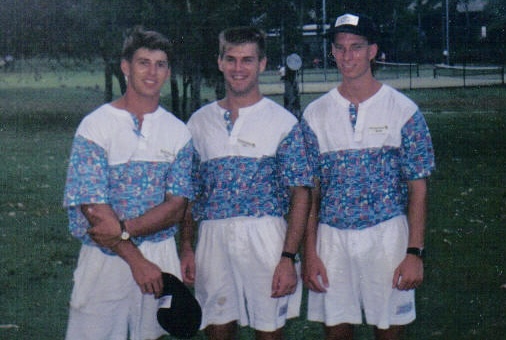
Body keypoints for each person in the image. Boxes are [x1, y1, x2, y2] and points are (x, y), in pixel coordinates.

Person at [301, 13, 435, 340]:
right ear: (332, 52)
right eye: (340, 48)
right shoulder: (314, 113)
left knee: (389, 331)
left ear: (372, 51)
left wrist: (414, 253)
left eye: (356, 47)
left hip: (387, 236)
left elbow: (417, 188)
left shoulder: (402, 110)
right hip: (332, 238)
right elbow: (310, 191)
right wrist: (310, 253)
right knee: (336, 332)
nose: (347, 56)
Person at [63, 26, 194, 340]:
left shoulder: (178, 132)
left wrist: (123, 231)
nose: (152, 72)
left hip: (160, 254)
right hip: (104, 260)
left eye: (160, 64)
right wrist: (135, 259)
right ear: (126, 67)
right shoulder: (95, 126)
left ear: (168, 72)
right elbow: (91, 204)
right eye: (143, 62)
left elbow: (176, 206)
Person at [182, 26, 312, 340]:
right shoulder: (199, 123)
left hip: (266, 238)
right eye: (231, 59)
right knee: (218, 329)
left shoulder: (283, 123)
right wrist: (186, 246)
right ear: (220, 62)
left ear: (262, 64)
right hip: (213, 238)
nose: (238, 68)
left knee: (268, 332)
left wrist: (287, 257)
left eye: (247, 60)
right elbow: (188, 193)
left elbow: (301, 194)